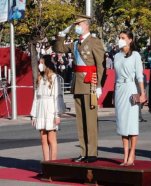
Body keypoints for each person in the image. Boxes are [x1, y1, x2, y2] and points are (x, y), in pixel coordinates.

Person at [53, 14, 105, 163]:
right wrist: (62, 34)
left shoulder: (94, 42)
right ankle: (84, 151)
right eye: (75, 24)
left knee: (90, 120)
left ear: (86, 25)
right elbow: (58, 48)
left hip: (90, 83)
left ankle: (92, 152)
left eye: (79, 24)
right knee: (81, 121)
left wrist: (99, 85)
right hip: (78, 84)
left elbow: (100, 65)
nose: (76, 26)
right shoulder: (75, 44)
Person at [114, 30, 146, 166]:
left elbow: (139, 75)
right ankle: (125, 155)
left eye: (123, 37)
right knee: (122, 124)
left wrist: (142, 92)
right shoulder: (116, 56)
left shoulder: (136, 55)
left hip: (131, 88)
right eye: (119, 37)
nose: (120, 39)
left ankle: (132, 153)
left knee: (131, 123)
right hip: (120, 90)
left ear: (130, 40)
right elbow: (116, 77)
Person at [30, 55, 65, 161]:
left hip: (51, 109)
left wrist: (57, 114)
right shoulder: (40, 78)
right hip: (41, 109)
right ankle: (46, 164)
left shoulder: (54, 78)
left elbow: (57, 96)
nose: (40, 65)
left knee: (51, 138)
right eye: (39, 63)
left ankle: (53, 164)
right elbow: (36, 97)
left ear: (47, 64)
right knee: (43, 138)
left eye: (42, 63)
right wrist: (34, 115)